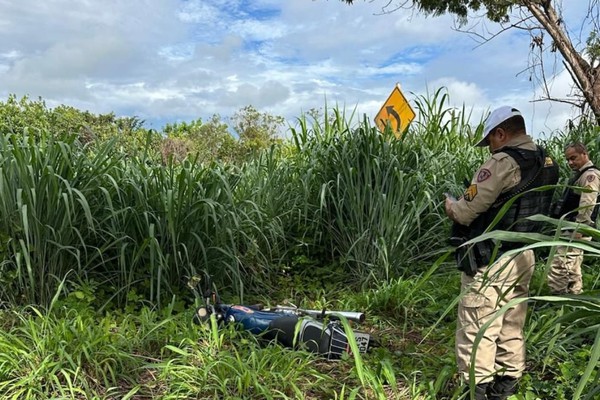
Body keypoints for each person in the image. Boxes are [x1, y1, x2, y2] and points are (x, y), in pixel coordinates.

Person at [444, 106, 559, 400]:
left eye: (490, 141)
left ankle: (476, 388)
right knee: (512, 319)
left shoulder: (501, 162)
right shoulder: (547, 160)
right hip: (525, 254)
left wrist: (450, 205)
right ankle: (506, 385)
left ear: (501, 133)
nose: (490, 148)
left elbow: (466, 212)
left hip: (491, 256)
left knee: (477, 322)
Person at [547, 142, 600, 294]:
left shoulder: (590, 175)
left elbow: (587, 203)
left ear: (584, 154)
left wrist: (580, 226)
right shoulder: (583, 174)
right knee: (572, 264)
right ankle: (574, 296)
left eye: (574, 158)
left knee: (560, 264)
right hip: (572, 227)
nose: (570, 162)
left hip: (575, 228)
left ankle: (557, 299)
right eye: (568, 159)